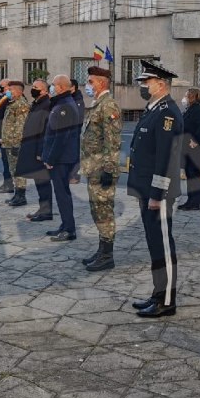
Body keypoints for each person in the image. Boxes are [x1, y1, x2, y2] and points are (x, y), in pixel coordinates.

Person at [128, 61, 184, 316]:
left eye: (146, 82)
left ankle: (167, 300)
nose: (142, 86)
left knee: (162, 244)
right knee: (154, 244)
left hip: (157, 193)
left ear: (161, 84)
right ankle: (157, 293)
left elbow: (166, 158)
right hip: (146, 189)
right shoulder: (153, 109)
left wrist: (158, 194)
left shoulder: (168, 113)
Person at [80, 66, 123, 272]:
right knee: (97, 210)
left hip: (102, 169)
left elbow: (112, 141)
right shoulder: (97, 104)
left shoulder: (109, 105)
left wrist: (109, 169)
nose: (87, 85)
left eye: (90, 82)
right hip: (93, 167)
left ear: (101, 83)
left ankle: (107, 255)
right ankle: (101, 250)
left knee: (104, 211)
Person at [42, 75, 82, 240]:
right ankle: (65, 225)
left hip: (61, 159)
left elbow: (61, 136)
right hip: (61, 157)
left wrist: (51, 159)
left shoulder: (65, 105)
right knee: (61, 193)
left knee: (62, 194)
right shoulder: (61, 103)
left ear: (60, 87)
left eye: (53, 85)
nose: (51, 87)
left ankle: (69, 229)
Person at [16, 80, 54, 221]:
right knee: (39, 181)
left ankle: (46, 211)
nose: (33, 89)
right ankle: (43, 209)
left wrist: (41, 152)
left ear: (44, 90)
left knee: (43, 181)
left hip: (39, 151)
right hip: (31, 147)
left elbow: (45, 131)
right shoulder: (37, 103)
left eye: (36, 87)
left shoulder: (46, 105)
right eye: (32, 87)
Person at [0, 82, 30, 207]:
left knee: (18, 170)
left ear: (19, 91)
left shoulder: (21, 105)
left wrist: (16, 144)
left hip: (15, 144)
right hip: (8, 142)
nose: (8, 91)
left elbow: (20, 127)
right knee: (13, 170)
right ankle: (17, 194)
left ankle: (21, 196)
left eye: (11, 89)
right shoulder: (12, 104)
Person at [178, 88, 200, 211]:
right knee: (190, 175)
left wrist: (194, 141)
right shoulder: (189, 109)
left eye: (186, 95)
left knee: (194, 175)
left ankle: (194, 203)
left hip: (195, 149)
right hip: (188, 148)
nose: (184, 98)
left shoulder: (197, 110)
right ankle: (191, 201)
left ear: (192, 97)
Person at [68, 78, 85, 184]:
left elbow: (77, 118)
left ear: (73, 87)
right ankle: (69, 175)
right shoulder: (70, 98)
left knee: (74, 154)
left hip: (73, 131)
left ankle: (75, 176)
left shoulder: (77, 99)